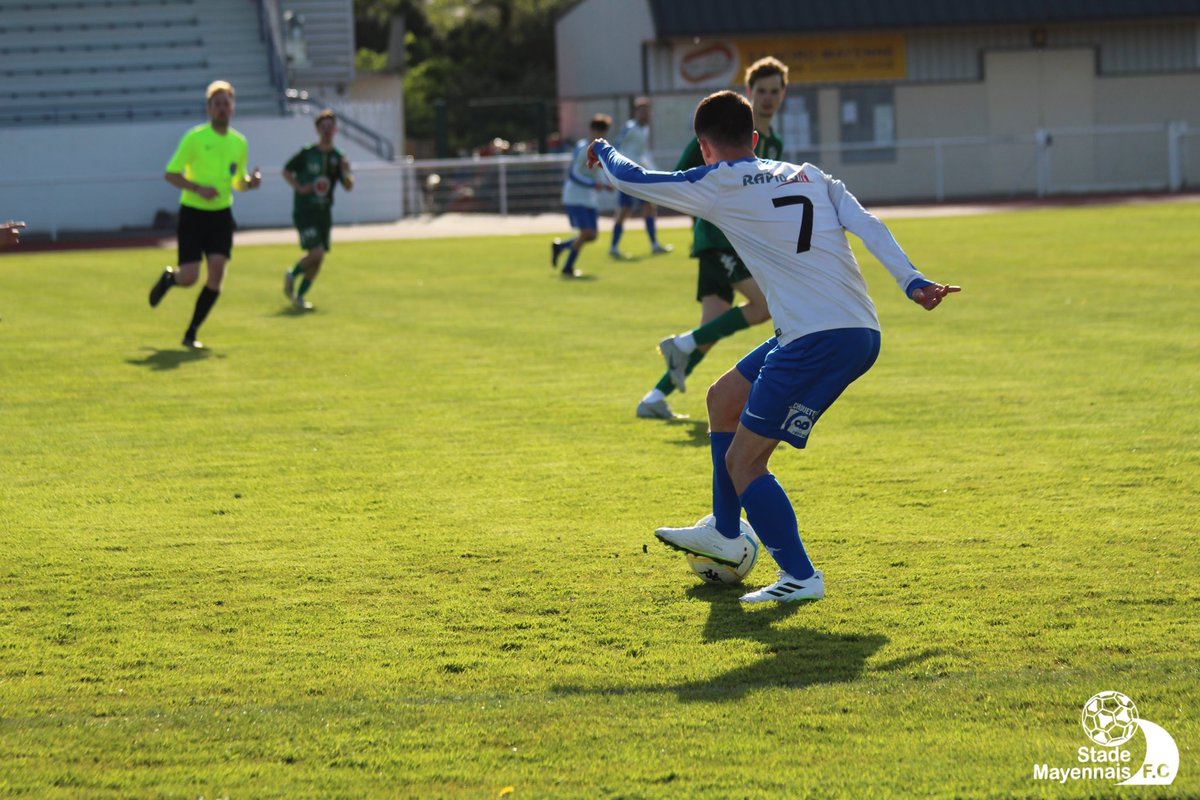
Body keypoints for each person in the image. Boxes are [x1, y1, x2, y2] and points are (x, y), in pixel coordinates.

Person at [589, 90, 960, 602]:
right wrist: (912, 282)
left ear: (704, 147)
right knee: (722, 398)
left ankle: (802, 577)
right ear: (756, 138)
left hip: (818, 338)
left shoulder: (718, 180)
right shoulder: (810, 174)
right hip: (848, 328)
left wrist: (603, 147)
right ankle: (724, 529)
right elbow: (869, 225)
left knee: (745, 462)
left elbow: (631, 178)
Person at [638, 56, 788, 420]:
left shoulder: (774, 143)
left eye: (775, 91)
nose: (767, 98)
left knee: (712, 327)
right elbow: (680, 176)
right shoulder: (722, 129)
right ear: (749, 92)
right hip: (719, 240)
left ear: (783, 93)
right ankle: (681, 343)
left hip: (739, 242)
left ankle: (655, 397)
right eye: (761, 91)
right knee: (765, 306)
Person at [147, 80, 262, 348]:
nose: (222, 108)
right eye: (217, 104)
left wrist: (249, 182)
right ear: (209, 109)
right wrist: (197, 188)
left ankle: (191, 333)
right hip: (193, 213)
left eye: (226, 103)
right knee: (189, 277)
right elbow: (171, 173)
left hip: (221, 215)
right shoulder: (195, 138)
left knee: (217, 274)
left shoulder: (239, 142)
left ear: (233, 108)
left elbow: (237, 181)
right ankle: (170, 279)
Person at [281, 109, 355, 311]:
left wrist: (346, 170)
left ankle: (299, 297)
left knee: (318, 260)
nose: (327, 130)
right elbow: (286, 170)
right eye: (323, 127)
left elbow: (348, 186)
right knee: (317, 253)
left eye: (330, 126)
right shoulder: (307, 153)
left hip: (324, 212)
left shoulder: (338, 157)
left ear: (335, 129)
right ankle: (291, 274)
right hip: (305, 210)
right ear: (317, 129)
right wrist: (299, 187)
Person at [608, 98, 672, 259]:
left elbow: (642, 154)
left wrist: (654, 170)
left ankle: (654, 244)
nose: (645, 113)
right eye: (642, 110)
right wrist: (612, 172)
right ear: (636, 112)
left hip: (639, 175)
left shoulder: (645, 129)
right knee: (624, 211)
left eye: (647, 110)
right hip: (626, 174)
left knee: (649, 206)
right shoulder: (630, 127)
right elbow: (616, 147)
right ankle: (613, 247)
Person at [551, 114, 612, 278]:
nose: (600, 135)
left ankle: (560, 246)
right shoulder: (582, 147)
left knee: (592, 236)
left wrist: (607, 184)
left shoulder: (601, 149)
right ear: (591, 130)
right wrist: (593, 184)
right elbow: (573, 174)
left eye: (603, 132)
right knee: (586, 232)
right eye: (597, 131)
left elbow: (598, 172)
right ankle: (567, 268)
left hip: (589, 197)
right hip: (575, 196)